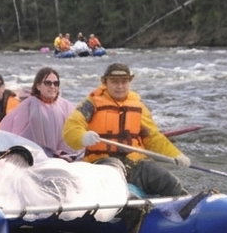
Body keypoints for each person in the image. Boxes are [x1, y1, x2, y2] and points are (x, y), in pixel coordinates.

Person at [63, 63, 189, 197]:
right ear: (104, 82)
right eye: (114, 82)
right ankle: (127, 203)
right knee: (114, 170)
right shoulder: (91, 104)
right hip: (102, 163)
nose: (120, 86)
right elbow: (71, 128)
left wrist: (175, 155)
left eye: (124, 82)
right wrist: (83, 137)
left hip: (133, 164)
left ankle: (187, 205)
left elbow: (153, 137)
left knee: (164, 177)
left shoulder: (138, 107)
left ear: (130, 82)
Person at [0, 67, 79, 159]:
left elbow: (76, 130)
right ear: (38, 86)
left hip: (64, 156)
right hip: (34, 156)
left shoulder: (66, 105)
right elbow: (14, 131)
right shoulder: (28, 106)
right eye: (48, 83)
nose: (52, 86)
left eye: (56, 83)